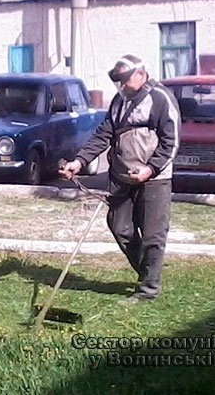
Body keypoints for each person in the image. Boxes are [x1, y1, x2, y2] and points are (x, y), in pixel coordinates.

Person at [59, 54, 181, 304]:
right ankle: (148, 273)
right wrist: (79, 161)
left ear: (141, 74)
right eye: (118, 81)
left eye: (125, 80)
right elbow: (103, 135)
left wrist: (150, 169)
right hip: (121, 177)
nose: (121, 85)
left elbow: (172, 142)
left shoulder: (161, 98)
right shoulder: (119, 101)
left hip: (154, 179)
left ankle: (148, 289)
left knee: (152, 234)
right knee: (119, 226)